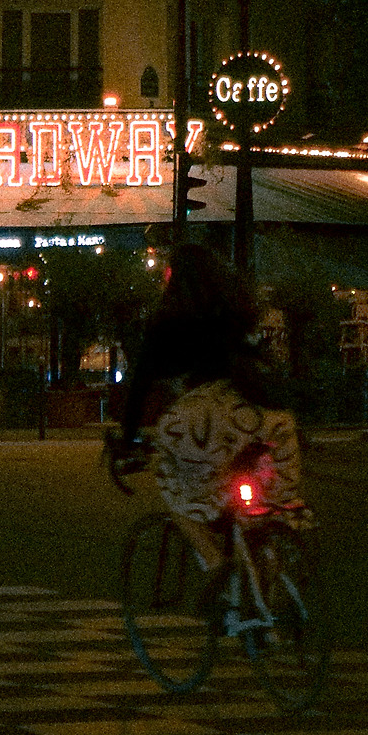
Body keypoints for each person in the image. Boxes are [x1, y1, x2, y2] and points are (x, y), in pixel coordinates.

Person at [116, 243, 308, 568]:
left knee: (173, 481)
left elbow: (140, 384)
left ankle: (215, 562)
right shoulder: (239, 313)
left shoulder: (169, 321)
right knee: (265, 501)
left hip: (202, 419)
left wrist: (127, 439)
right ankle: (270, 583)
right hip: (262, 414)